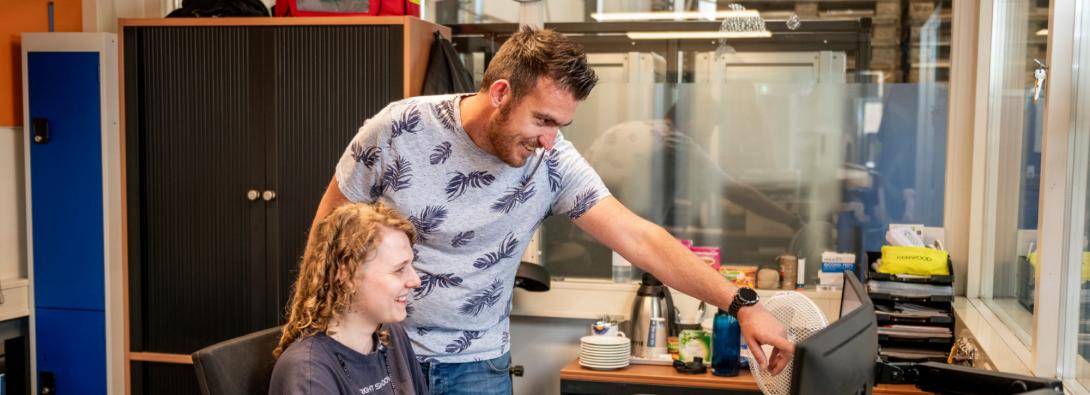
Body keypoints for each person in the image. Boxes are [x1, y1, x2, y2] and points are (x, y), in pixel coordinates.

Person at [308, 27, 794, 394]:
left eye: (560, 125)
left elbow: (641, 238)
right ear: (501, 93)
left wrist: (742, 303)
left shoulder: (552, 160)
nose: (549, 139)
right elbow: (329, 236)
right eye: (542, 119)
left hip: (477, 367)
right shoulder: (399, 128)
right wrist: (311, 334)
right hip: (378, 353)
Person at [270, 203, 429, 395]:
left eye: (410, 266)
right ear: (348, 276)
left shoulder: (392, 336)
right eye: (399, 270)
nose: (415, 281)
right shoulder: (308, 372)